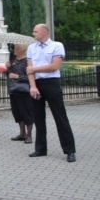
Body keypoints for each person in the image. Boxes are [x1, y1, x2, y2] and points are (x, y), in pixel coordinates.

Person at [26, 24, 76, 162]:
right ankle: (40, 149)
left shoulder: (56, 46)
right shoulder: (31, 48)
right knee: (38, 117)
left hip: (51, 83)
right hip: (36, 83)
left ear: (44, 32)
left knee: (60, 116)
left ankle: (69, 150)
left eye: (35, 31)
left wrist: (35, 69)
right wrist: (32, 86)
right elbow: (29, 69)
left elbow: (54, 66)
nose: (33, 33)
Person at [6, 44, 34, 143]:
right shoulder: (13, 60)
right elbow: (9, 75)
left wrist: (17, 76)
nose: (15, 50)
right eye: (15, 48)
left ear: (22, 50)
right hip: (13, 90)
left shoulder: (27, 61)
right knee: (17, 113)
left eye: (17, 48)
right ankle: (22, 133)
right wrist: (7, 68)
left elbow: (31, 77)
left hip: (24, 92)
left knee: (26, 113)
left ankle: (29, 135)